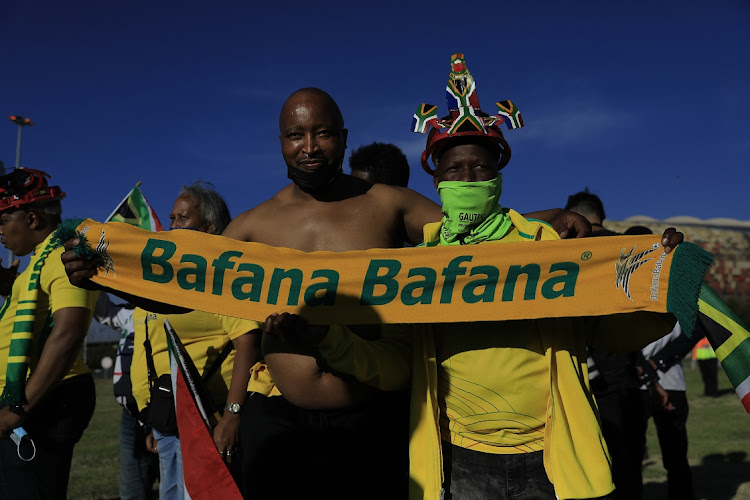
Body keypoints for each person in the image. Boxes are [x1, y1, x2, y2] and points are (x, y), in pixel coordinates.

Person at [62, 87, 594, 499]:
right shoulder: (253, 225)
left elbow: (472, 234)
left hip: (376, 417)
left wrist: (552, 219)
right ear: (281, 142)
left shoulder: (386, 204)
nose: (309, 147)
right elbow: (187, 292)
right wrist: (106, 275)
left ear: (342, 136)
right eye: (296, 136)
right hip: (281, 424)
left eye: (322, 133)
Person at [263, 57, 684, 500]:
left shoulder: (542, 247)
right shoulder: (422, 268)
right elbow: (399, 363)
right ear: (437, 179)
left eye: (481, 169)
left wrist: (661, 286)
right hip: (460, 460)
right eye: (454, 170)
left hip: (549, 456)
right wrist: (329, 342)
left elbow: (604, 326)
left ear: (498, 174)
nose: (468, 179)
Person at [131, 182, 262, 500]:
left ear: (212, 228)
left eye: (183, 218)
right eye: (172, 218)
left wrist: (232, 415)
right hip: (167, 420)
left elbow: (248, 343)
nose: (173, 226)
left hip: (210, 420)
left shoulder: (223, 278)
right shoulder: (159, 281)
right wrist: (153, 421)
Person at [0, 168, 99, 499]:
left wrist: (19, 408)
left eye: (3, 220)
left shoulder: (63, 255)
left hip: (47, 398)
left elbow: (68, 333)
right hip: (33, 397)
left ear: (31, 219)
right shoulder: (37, 263)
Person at [566, 189, 647, 499]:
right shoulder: (630, 247)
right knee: (630, 463)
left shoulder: (565, 250)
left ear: (573, 217)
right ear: (602, 215)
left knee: (590, 464)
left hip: (581, 371)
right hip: (628, 370)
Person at [94, 293, 159, 500]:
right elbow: (104, 312)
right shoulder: (130, 313)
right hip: (131, 414)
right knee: (131, 491)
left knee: (173, 487)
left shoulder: (170, 311)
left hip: (166, 413)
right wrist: (93, 279)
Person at [638, 323, 696, 500]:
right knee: (629, 452)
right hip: (639, 380)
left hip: (666, 380)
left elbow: (694, 331)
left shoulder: (681, 298)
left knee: (675, 452)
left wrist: (654, 363)